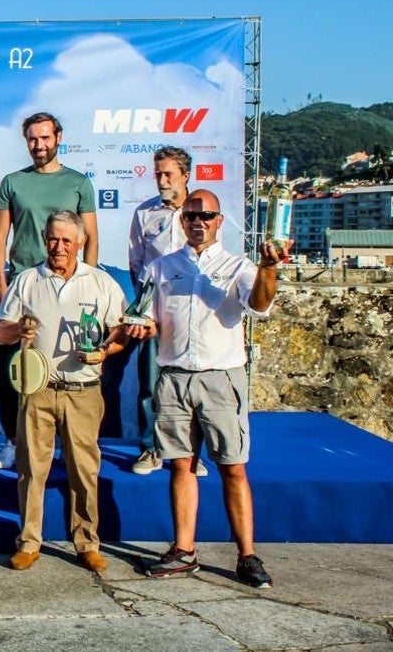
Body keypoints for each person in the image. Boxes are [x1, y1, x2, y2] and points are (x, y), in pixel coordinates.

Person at [131, 189, 290, 589]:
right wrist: (139, 326)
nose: (198, 221)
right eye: (190, 216)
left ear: (220, 221)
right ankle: (184, 551)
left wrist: (269, 269)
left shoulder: (238, 265)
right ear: (181, 221)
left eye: (207, 215)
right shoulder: (162, 267)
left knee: (232, 468)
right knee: (180, 465)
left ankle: (247, 555)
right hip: (173, 378)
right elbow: (147, 317)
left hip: (221, 379)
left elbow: (259, 306)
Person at [0, 210, 127, 573]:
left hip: (84, 391)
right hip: (37, 390)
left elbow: (120, 331)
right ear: (44, 239)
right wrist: (17, 330)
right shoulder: (26, 281)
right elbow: (0, 333)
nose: (59, 247)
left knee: (84, 471)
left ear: (80, 243)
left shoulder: (101, 283)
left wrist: (106, 350)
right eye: (53, 239)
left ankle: (86, 542)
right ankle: (28, 542)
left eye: (67, 240)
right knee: (31, 470)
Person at [0, 112, 100, 471]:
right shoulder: (12, 182)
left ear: (58, 138)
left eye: (45, 138)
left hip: (70, 289)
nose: (39, 146)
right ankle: (14, 441)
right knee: (21, 368)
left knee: (68, 366)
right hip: (26, 288)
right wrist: (2, 284)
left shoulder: (80, 183)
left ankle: (67, 444)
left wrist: (91, 284)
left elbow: (91, 237)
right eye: (32, 140)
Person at [127, 146, 196, 476]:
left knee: (188, 382)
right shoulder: (144, 213)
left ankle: (189, 454)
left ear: (185, 176)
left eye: (168, 174)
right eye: (158, 174)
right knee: (149, 384)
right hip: (152, 307)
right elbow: (136, 262)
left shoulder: (202, 213)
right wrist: (144, 305)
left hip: (189, 307)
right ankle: (150, 449)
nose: (162, 180)